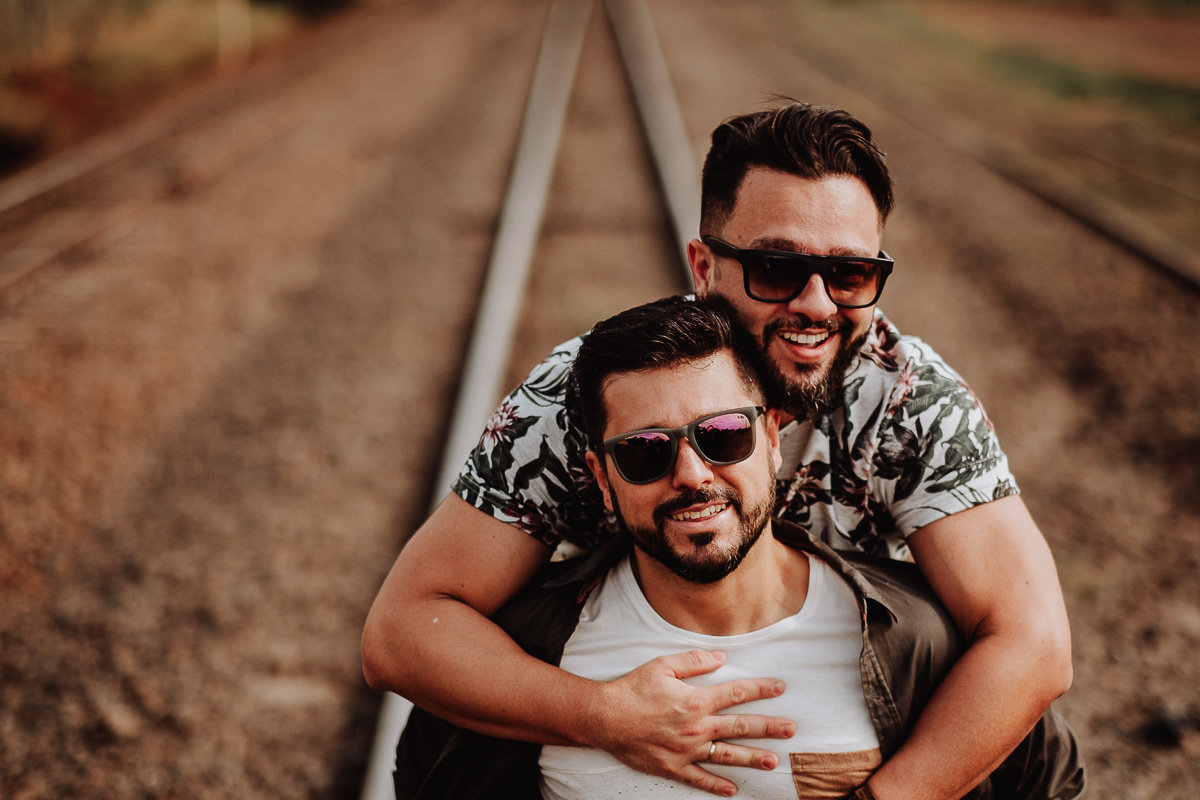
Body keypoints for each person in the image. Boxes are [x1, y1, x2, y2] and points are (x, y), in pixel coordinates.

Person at [362, 102, 1074, 799]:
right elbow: (402, 631)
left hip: (844, 710)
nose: (818, 304)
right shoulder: (584, 395)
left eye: (850, 274)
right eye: (777, 269)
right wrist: (601, 717)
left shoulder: (910, 399)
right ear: (704, 266)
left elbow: (1031, 644)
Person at [390, 296, 1085, 800]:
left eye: (723, 436)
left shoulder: (918, 647)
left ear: (775, 439)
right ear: (601, 479)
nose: (691, 475)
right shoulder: (523, 658)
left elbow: (1043, 767)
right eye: (644, 452)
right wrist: (600, 718)